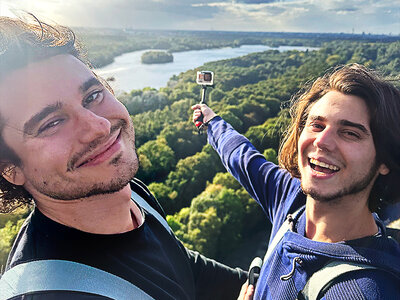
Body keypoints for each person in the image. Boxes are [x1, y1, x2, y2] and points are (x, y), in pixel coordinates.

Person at [0, 15, 248, 299]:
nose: (99, 126)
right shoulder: (53, 293)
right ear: (9, 169)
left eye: (93, 96)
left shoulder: (131, 195)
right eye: (51, 123)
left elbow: (181, 266)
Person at [193, 64, 400, 299]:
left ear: (385, 159)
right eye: (317, 125)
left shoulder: (362, 291)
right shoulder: (293, 201)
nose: (322, 141)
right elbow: (242, 157)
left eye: (350, 133)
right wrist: (212, 122)